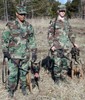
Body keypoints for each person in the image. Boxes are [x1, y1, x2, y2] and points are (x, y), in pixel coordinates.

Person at [2, 5, 37, 97]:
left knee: (23, 73)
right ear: (16, 14)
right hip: (13, 55)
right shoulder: (10, 25)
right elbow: (4, 39)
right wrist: (5, 51)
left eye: (24, 14)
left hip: (25, 55)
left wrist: (34, 52)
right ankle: (11, 90)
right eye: (21, 14)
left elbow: (32, 40)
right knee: (13, 74)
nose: (23, 16)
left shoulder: (29, 26)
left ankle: (24, 88)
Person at [47, 4, 76, 84]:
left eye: (64, 11)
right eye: (61, 11)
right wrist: (51, 45)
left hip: (66, 46)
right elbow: (50, 34)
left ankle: (63, 77)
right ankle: (57, 79)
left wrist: (74, 42)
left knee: (66, 63)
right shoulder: (53, 21)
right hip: (57, 46)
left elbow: (70, 33)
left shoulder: (67, 21)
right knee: (57, 63)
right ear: (58, 11)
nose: (62, 12)